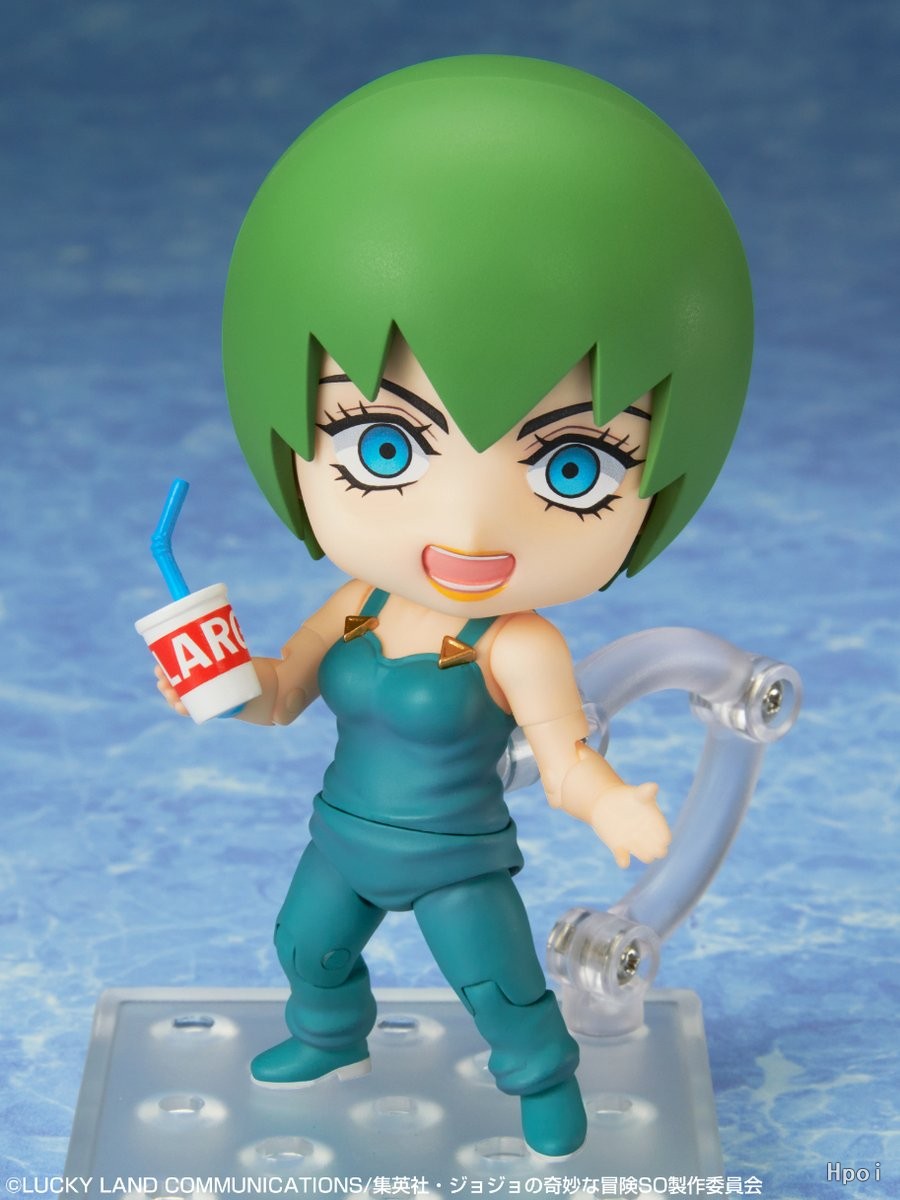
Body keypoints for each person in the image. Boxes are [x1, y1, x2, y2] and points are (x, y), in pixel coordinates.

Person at [157, 56, 752, 1157]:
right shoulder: (353, 604)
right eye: (384, 447)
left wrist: (612, 806)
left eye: (572, 468)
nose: (469, 533)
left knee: (502, 989)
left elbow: (562, 757)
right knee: (307, 949)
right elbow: (282, 697)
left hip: (455, 860)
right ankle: (329, 1036)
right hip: (342, 839)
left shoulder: (514, 640)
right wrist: (217, 678)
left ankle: (545, 1083)